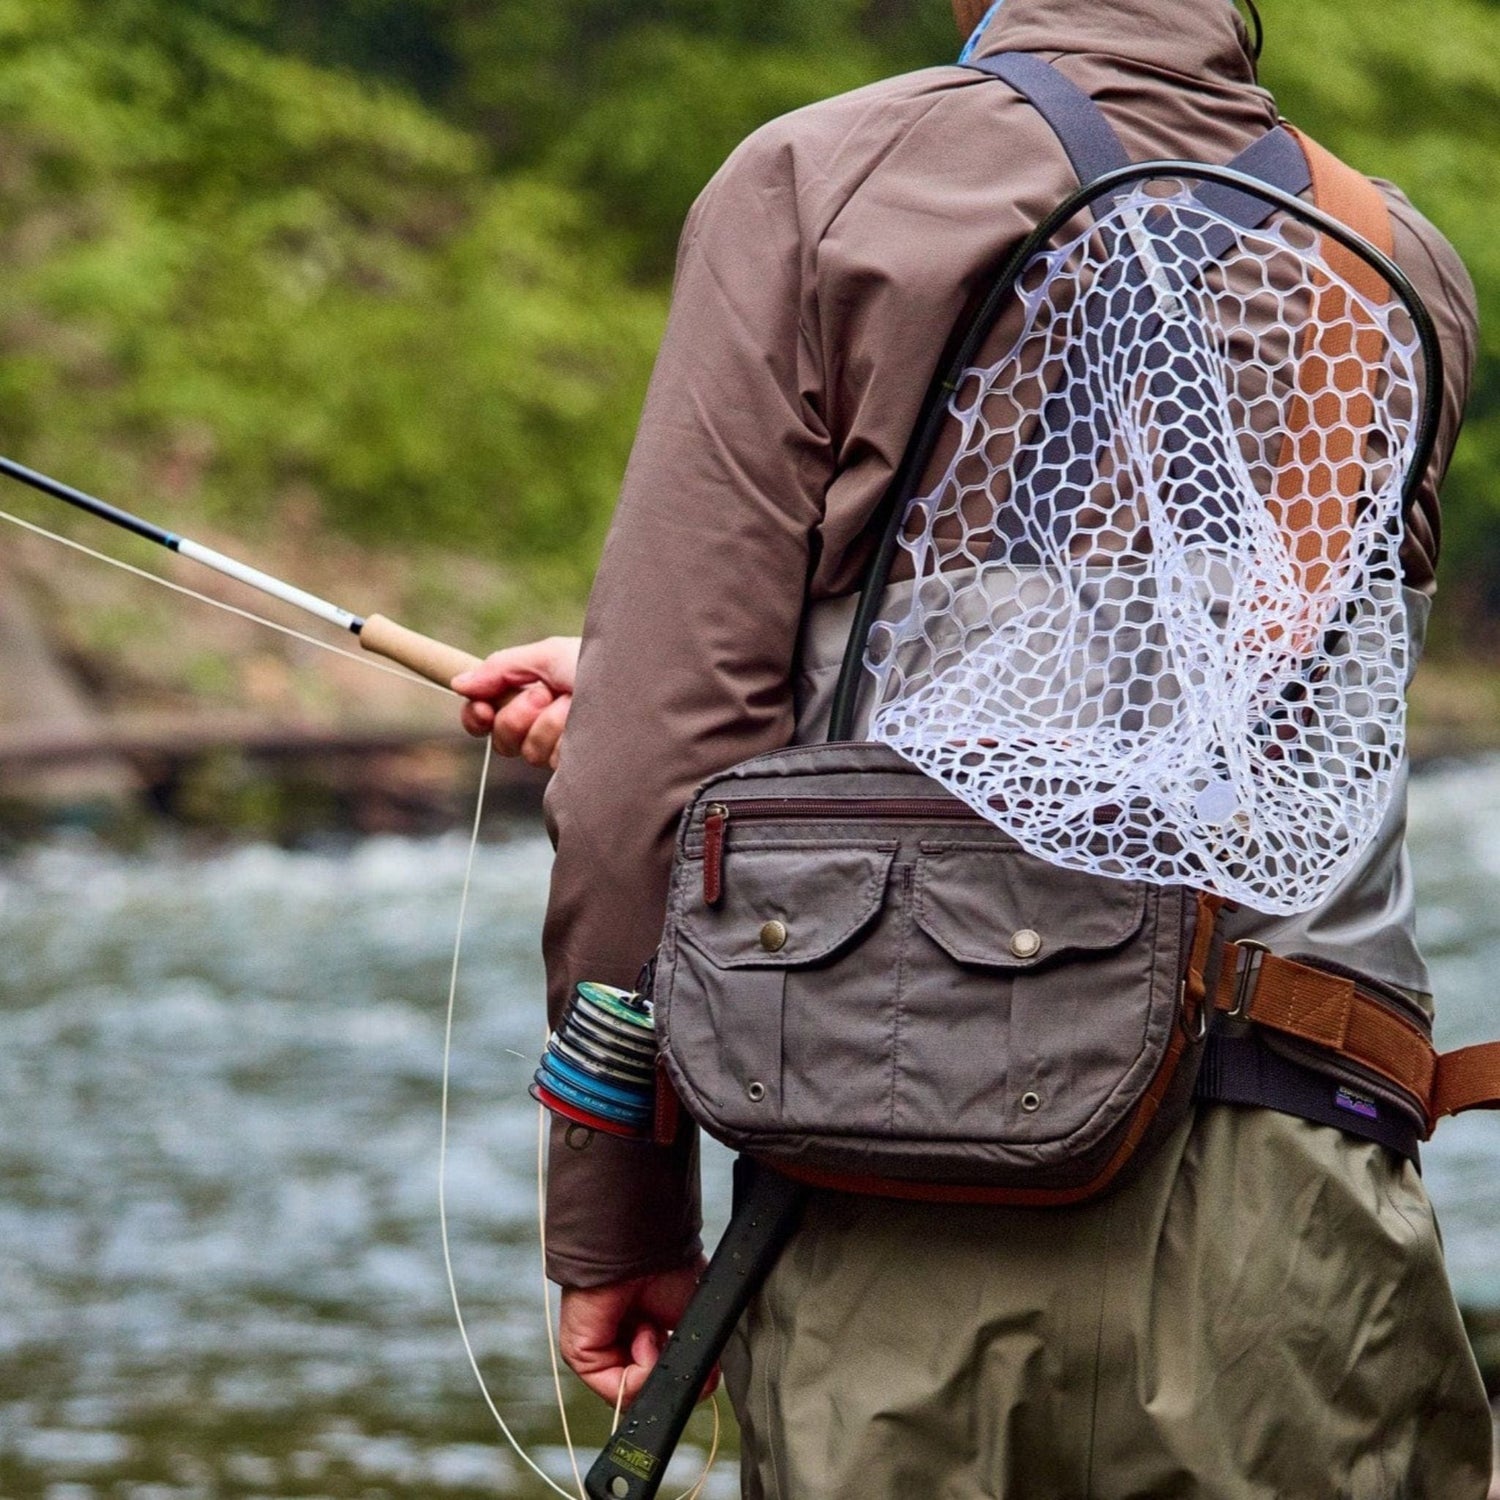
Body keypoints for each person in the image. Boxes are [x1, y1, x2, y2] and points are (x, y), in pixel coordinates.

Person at [455, 1, 1492, 1493]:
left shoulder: (822, 183)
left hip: (892, 1212)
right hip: (1296, 1220)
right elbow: (1195, 698)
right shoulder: (1398, 259)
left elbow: (653, 774)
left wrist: (618, 1215)